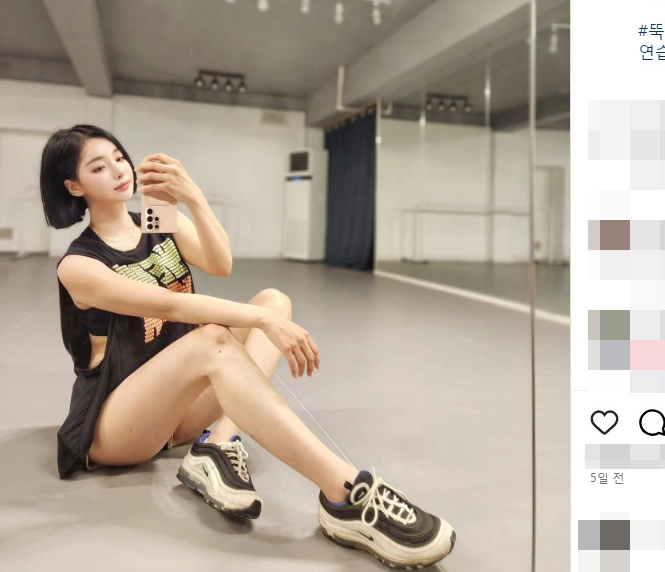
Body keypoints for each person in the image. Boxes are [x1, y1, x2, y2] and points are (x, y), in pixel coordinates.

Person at [40, 124, 455, 569]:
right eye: (98, 168)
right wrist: (259, 320)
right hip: (117, 423)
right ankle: (345, 494)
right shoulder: (79, 264)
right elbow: (169, 305)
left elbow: (220, 263)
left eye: (119, 158)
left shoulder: (155, 220)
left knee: (274, 300)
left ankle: (217, 445)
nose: (119, 170)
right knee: (217, 337)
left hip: (177, 411)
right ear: (75, 186)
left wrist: (194, 197)